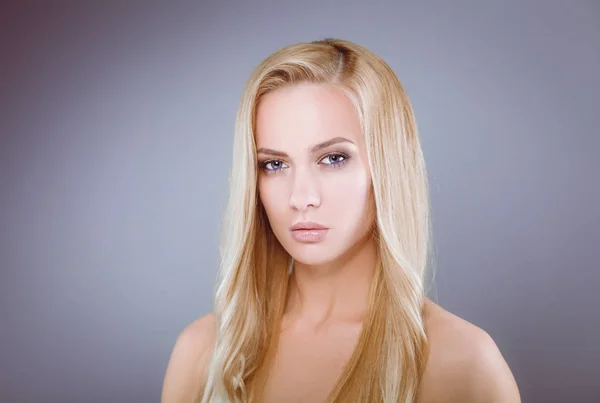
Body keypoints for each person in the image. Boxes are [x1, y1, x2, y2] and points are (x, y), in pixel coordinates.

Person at [161, 38, 520, 403]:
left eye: (333, 159)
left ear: (388, 164)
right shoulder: (204, 354)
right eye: (274, 164)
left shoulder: (463, 364)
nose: (300, 198)